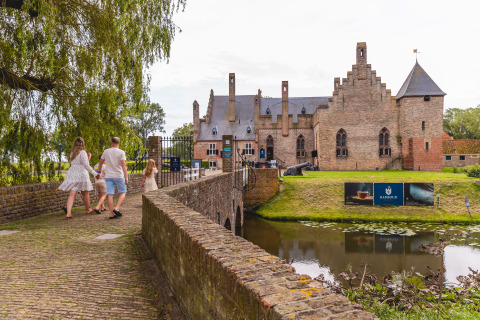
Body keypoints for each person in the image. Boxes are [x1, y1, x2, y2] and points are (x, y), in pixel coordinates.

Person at [58, 137, 97, 219]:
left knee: (72, 193)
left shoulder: (72, 153)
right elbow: (86, 165)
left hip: (72, 173)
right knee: (85, 193)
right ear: (83, 144)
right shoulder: (83, 153)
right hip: (81, 173)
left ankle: (68, 213)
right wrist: (94, 173)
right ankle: (87, 209)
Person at [98, 137, 128, 219]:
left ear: (112, 143)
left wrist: (99, 172)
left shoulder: (106, 151)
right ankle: (117, 208)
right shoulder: (121, 152)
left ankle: (111, 214)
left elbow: (100, 162)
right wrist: (126, 177)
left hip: (108, 176)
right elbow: (123, 165)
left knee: (110, 194)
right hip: (118, 176)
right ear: (119, 143)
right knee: (123, 192)